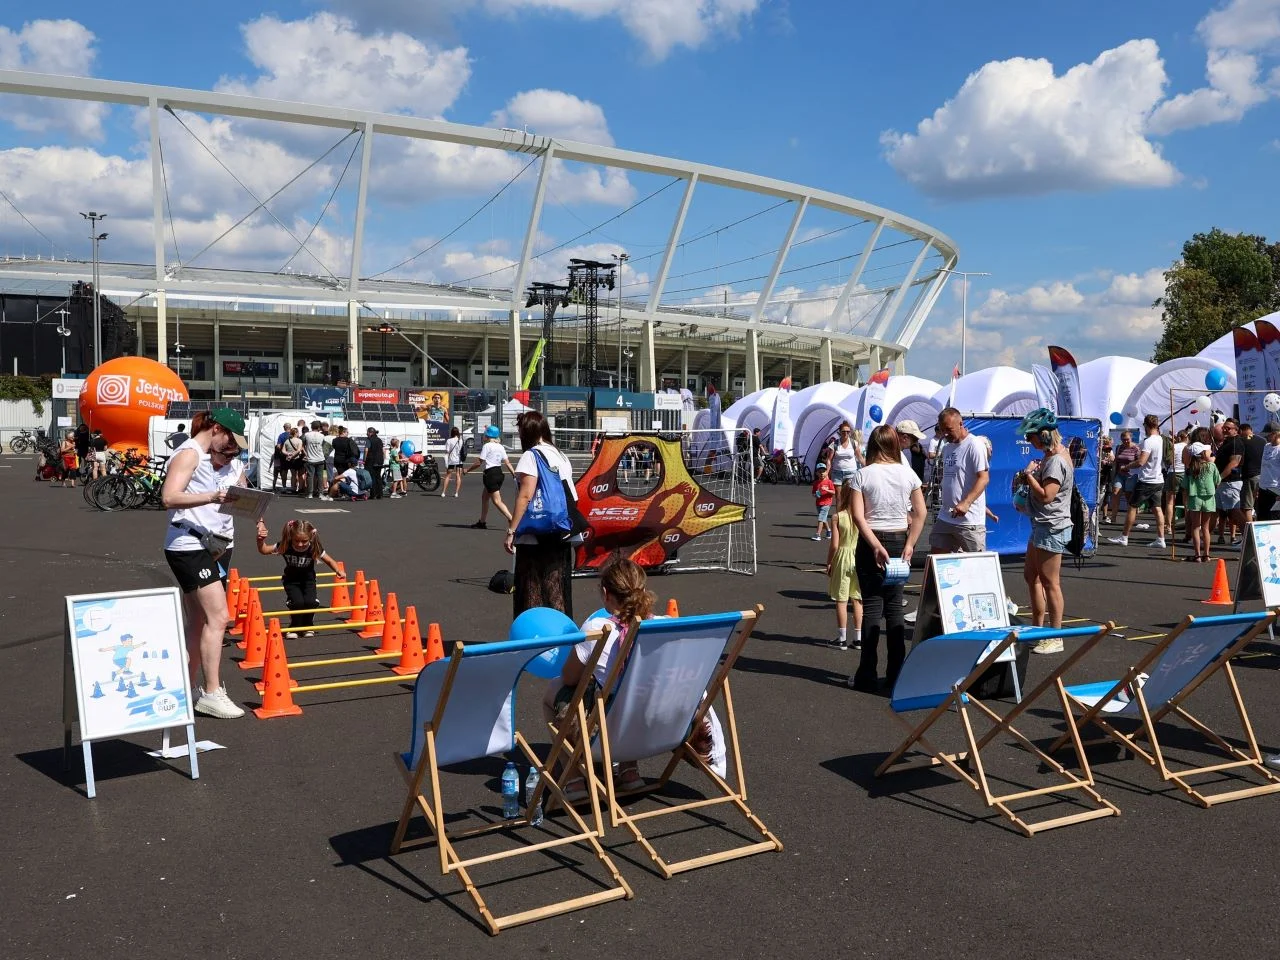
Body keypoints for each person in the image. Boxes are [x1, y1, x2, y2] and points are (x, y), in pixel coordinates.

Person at [160, 408, 249, 719]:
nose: (229, 450)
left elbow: (243, 493)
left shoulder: (225, 458)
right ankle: (212, 691)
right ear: (216, 429)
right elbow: (169, 497)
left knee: (200, 621)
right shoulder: (189, 454)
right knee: (219, 616)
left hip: (218, 545)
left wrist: (255, 511)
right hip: (190, 544)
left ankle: (186, 688)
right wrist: (212, 496)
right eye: (228, 442)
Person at [847, 425, 926, 693]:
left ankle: (867, 674)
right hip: (898, 539)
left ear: (872, 445)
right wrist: (911, 544)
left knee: (871, 608)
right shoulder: (908, 474)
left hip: (872, 542)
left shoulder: (862, 475)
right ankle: (896, 674)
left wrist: (875, 545)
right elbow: (921, 512)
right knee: (894, 609)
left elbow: (858, 516)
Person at [505, 411, 578, 616]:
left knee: (532, 585)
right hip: (561, 527)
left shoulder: (532, 455)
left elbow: (525, 495)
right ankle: (560, 632)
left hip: (537, 531)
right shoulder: (559, 454)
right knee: (556, 585)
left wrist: (512, 531)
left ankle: (534, 635)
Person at [1016, 408, 1074, 653]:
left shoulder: (1057, 461)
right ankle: (1038, 629)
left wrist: (1029, 476)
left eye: (1032, 436)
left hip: (1051, 526)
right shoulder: (1053, 456)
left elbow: (1048, 496)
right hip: (1041, 524)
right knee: (1032, 576)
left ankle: (1055, 636)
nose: (1029, 441)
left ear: (1045, 434)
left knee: (1051, 582)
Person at [255, 518, 342, 639]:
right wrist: (260, 541)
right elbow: (264, 550)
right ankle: (294, 626)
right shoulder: (285, 545)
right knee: (298, 603)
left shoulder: (313, 547)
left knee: (310, 602)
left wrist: (338, 570)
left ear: (311, 537)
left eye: (304, 541)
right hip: (291, 581)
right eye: (296, 541)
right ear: (291, 536)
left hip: (308, 581)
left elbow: (329, 560)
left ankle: (308, 625)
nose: (300, 544)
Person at [930, 406, 990, 553]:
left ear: (961, 424)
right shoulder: (947, 448)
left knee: (977, 564)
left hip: (969, 520)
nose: (945, 434)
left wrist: (966, 503)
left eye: (949, 429)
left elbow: (983, 478)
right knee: (936, 561)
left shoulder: (974, 445)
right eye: (942, 430)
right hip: (946, 516)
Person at [1107, 414, 1166, 550]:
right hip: (1157, 480)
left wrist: (1126, 467)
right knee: (1157, 509)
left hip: (1147, 480)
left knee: (1132, 507)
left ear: (1146, 425)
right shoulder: (1160, 439)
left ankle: (1124, 537)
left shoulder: (1149, 441)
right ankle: (1161, 539)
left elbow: (1141, 462)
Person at [825, 481, 862, 651]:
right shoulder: (863, 515)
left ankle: (841, 638)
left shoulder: (838, 517)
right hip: (858, 556)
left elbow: (834, 545)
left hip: (843, 556)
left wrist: (829, 562)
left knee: (841, 598)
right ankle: (858, 637)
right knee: (857, 598)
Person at [466, 424, 515, 529]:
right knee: (485, 497)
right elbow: (507, 463)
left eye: (485, 434)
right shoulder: (500, 446)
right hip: (499, 473)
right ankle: (482, 522)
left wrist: (467, 470)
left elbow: (479, 462)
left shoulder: (487, 446)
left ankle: (512, 520)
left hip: (490, 475)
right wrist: (514, 474)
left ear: (488, 436)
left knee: (497, 501)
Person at [1182, 439, 1220, 562]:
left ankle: (1197, 554)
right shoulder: (1211, 466)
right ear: (1203, 453)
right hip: (1208, 498)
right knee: (1205, 527)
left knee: (1195, 527)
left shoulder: (1190, 469)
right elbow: (1217, 481)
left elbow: (1185, 486)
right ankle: (1206, 554)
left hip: (1195, 498)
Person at [1213, 417, 1246, 546]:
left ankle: (1247, 539)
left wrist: (1219, 478)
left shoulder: (1235, 443)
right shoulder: (1227, 442)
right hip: (1224, 483)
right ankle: (1204, 538)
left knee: (1235, 511)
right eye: (1224, 427)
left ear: (1236, 430)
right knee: (1220, 511)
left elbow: (1234, 463)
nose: (1225, 430)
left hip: (1230, 482)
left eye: (1228, 428)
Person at [1107, 431, 1139, 524]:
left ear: (1131, 438)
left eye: (1127, 439)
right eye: (1123, 439)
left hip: (1131, 475)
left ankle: (1131, 519)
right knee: (1115, 494)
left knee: (1129, 497)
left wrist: (1128, 467)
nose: (1125, 441)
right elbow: (1116, 461)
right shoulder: (1119, 447)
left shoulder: (1136, 448)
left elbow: (1139, 462)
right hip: (1120, 475)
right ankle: (1113, 518)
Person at [1164, 430, 1187, 540]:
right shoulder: (1188, 447)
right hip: (1184, 472)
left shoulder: (1174, 446)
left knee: (1170, 501)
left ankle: (1168, 526)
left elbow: (1168, 461)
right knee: (1186, 502)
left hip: (1173, 472)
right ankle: (1188, 527)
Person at [1240, 421, 1265, 524]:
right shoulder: (1263, 440)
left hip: (1249, 476)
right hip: (1262, 476)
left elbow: (1240, 460)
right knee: (1260, 506)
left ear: (1241, 431)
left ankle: (1250, 534)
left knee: (1247, 507)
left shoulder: (1242, 441)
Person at [1258, 423, 1280, 522]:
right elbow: (1263, 468)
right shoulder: (1266, 446)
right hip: (1263, 488)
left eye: (1269, 434)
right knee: (1262, 518)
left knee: (1273, 520)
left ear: (1276, 434)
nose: (1266, 436)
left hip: (1275, 490)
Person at [811, 463, 836, 540]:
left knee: (820, 518)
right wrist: (816, 494)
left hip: (827, 503)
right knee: (823, 518)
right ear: (817, 473)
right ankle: (829, 530)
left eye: (823, 471)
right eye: (820, 471)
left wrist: (827, 490)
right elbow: (813, 494)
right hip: (818, 503)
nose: (822, 473)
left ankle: (818, 534)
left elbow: (834, 492)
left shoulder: (829, 482)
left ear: (826, 472)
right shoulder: (816, 483)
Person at [302, 420, 326, 499]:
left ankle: (310, 494)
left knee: (310, 476)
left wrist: (305, 453)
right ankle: (320, 493)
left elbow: (301, 445)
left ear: (312, 427)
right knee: (320, 476)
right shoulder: (322, 436)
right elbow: (326, 448)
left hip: (310, 459)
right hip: (320, 458)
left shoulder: (306, 435)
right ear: (319, 427)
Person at [441, 426, 464, 498]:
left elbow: (447, 451)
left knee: (448, 475)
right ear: (457, 433)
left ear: (452, 433)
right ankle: (456, 493)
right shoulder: (460, 440)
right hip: (459, 460)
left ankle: (443, 492)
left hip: (451, 460)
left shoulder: (449, 440)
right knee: (458, 475)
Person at [364, 427, 386, 499]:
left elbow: (366, 450)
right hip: (379, 461)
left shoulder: (369, 440)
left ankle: (373, 494)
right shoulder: (379, 440)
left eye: (367, 432)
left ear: (370, 432)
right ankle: (380, 494)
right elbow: (383, 450)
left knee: (372, 477)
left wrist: (364, 459)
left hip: (371, 460)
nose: (366, 433)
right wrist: (383, 458)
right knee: (378, 477)